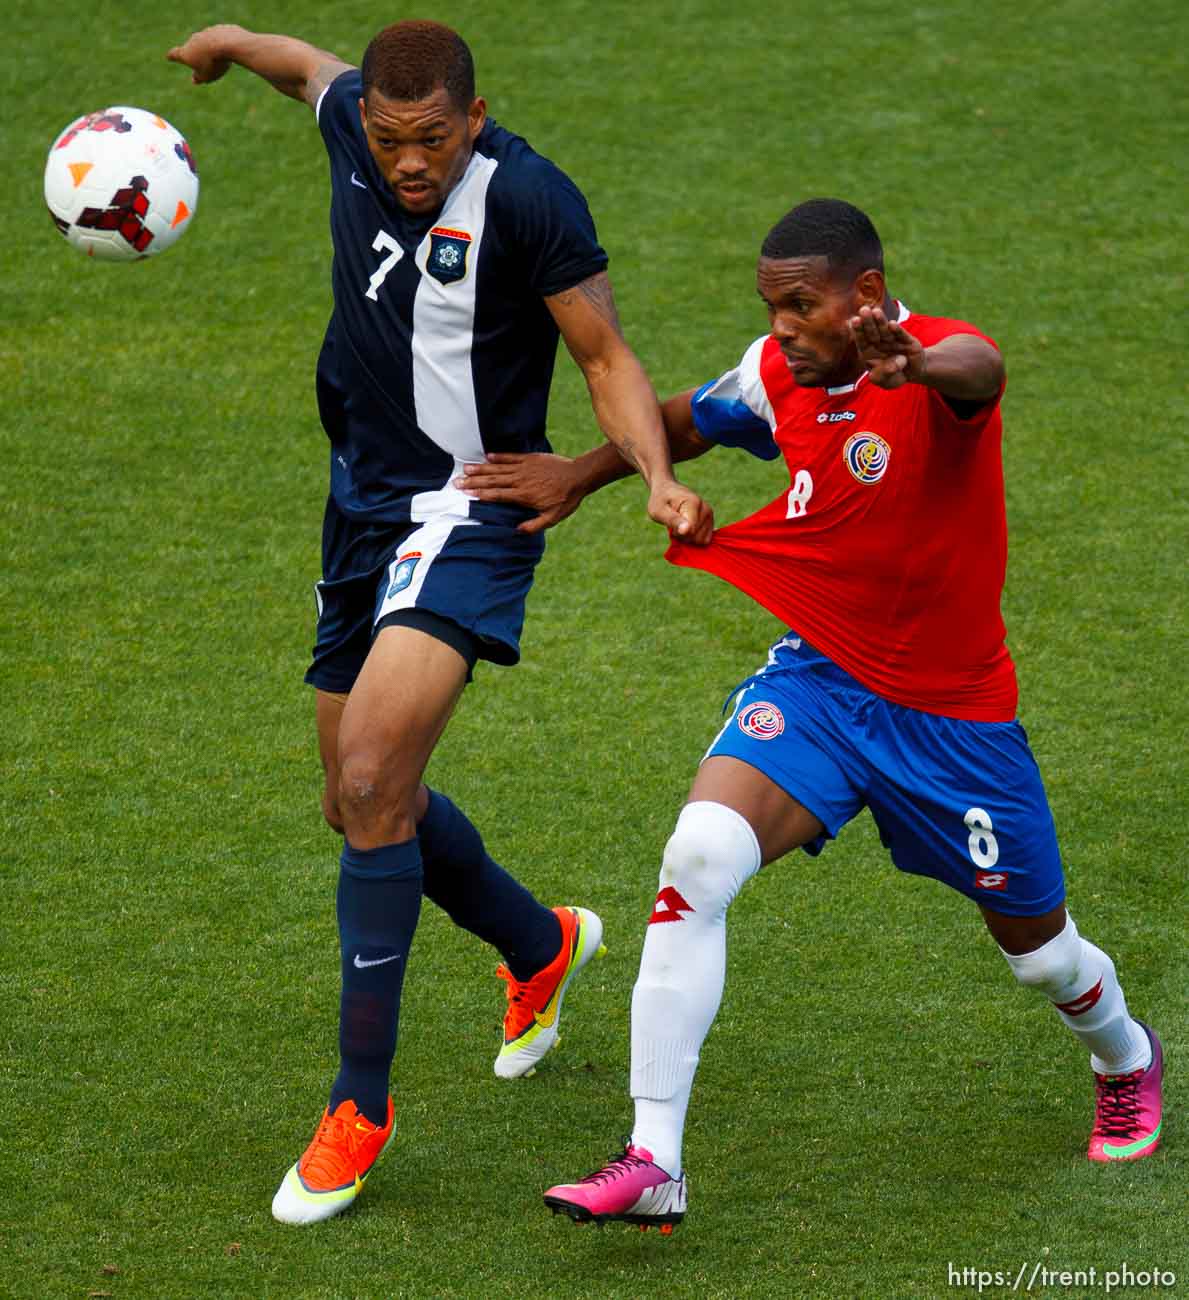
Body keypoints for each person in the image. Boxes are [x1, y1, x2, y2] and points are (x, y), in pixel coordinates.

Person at [461, 198, 1164, 1231]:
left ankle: (1124, 1055)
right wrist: (598, 469)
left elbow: (982, 368)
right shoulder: (781, 372)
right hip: (823, 687)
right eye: (770, 305)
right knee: (696, 858)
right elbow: (691, 419)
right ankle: (654, 1155)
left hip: (953, 723)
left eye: (800, 305)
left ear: (866, 296)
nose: (783, 326)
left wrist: (913, 368)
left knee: (1041, 953)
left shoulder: (934, 365)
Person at [166, 20, 712, 1226]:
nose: (407, 163)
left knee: (369, 778)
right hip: (358, 504)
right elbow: (307, 69)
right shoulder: (351, 125)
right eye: (389, 139)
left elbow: (605, 353)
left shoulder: (527, 199)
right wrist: (228, 42)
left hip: (470, 509)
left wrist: (654, 475)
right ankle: (539, 946)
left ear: (473, 117)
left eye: (429, 140)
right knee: (362, 801)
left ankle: (359, 1105)